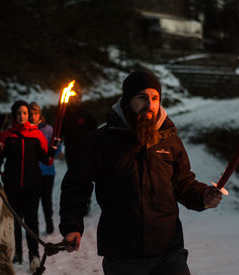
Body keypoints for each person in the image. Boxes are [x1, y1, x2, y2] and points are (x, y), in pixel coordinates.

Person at [59, 71, 222, 275]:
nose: (150, 104)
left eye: (155, 98)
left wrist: (203, 196)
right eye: (142, 98)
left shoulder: (169, 140)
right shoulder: (102, 141)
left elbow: (183, 183)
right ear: (128, 101)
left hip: (168, 252)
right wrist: (72, 225)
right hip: (123, 255)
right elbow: (76, 184)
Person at [0, 100, 52, 273]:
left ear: (29, 115)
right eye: (19, 113)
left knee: (31, 220)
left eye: (25, 113)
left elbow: (47, 159)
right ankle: (17, 253)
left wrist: (53, 148)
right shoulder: (6, 135)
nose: (22, 116)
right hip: (12, 185)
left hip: (32, 184)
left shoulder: (37, 134)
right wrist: (2, 174)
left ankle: (34, 256)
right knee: (14, 219)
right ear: (14, 114)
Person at [29, 101, 61, 235]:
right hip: (31, 172)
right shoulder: (27, 130)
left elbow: (57, 151)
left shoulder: (48, 129)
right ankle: (33, 228)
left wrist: (56, 147)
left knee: (46, 200)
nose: (33, 116)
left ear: (39, 114)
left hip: (47, 171)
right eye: (31, 114)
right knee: (33, 202)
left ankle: (49, 225)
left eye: (35, 113)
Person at [61, 92, 98, 170]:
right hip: (70, 150)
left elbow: (94, 129)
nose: (77, 100)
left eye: (78, 98)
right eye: (74, 98)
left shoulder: (86, 114)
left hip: (84, 150)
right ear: (70, 99)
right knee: (72, 173)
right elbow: (60, 133)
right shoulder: (64, 115)